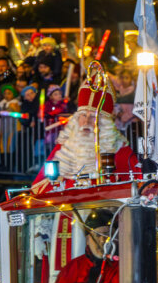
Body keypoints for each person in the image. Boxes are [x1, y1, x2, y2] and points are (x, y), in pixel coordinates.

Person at [30, 65, 138, 193]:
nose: (86, 121)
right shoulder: (64, 147)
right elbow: (41, 190)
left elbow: (134, 189)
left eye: (93, 117)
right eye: (83, 116)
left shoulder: (121, 151)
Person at [40, 208, 119, 283]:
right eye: (98, 235)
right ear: (87, 240)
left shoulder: (123, 267)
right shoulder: (71, 269)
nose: (103, 240)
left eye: (108, 235)